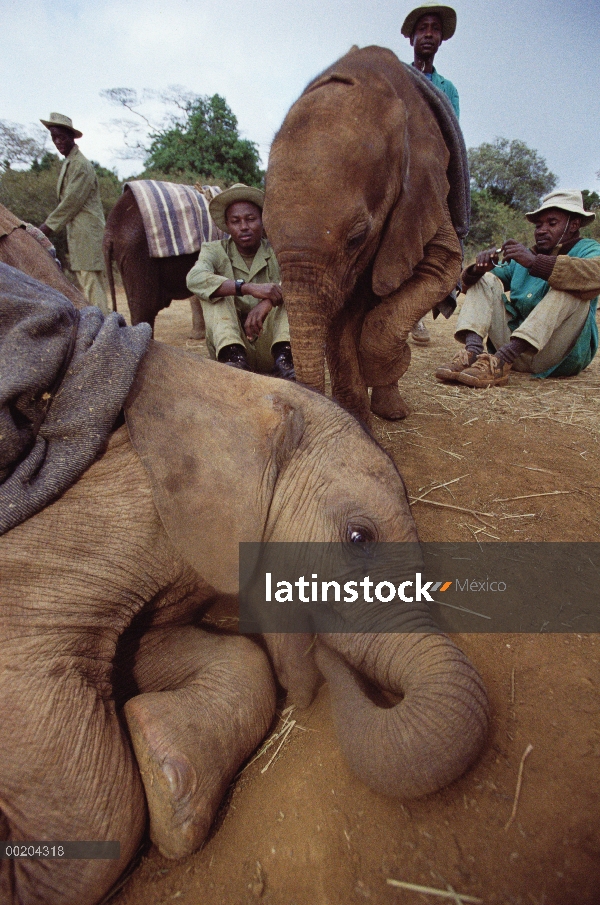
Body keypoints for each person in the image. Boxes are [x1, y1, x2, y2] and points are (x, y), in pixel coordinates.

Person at [435, 190, 600, 387]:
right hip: (517, 354)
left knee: (571, 286)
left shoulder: (587, 249)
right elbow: (477, 285)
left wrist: (535, 263)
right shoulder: (526, 256)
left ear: (573, 225)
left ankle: (503, 358)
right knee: (486, 279)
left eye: (552, 223)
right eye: (538, 225)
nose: (541, 230)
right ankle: (473, 353)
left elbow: (595, 273)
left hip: (558, 356)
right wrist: (479, 270)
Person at [186, 184, 295, 379]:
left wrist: (268, 302)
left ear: (263, 220)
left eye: (251, 219)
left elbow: (299, 281)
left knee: (291, 294)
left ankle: (285, 360)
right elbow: (194, 278)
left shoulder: (277, 249)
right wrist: (248, 288)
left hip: (269, 346)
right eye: (236, 221)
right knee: (214, 294)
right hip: (229, 346)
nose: (244, 226)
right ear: (227, 225)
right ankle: (233, 356)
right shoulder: (214, 250)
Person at [402, 2, 459, 345]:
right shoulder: (396, 75)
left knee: (428, 245)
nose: (428, 34)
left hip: (429, 172)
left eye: (434, 29)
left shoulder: (447, 87)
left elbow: (452, 132)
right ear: (411, 37)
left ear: (441, 39)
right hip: (397, 166)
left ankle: (415, 315)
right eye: (422, 28)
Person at [39, 113, 109, 314]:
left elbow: (71, 202)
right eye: (54, 138)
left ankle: (104, 334)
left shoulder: (80, 165)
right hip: (80, 235)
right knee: (90, 286)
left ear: (72, 137)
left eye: (62, 137)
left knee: (92, 287)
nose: (58, 142)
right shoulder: (70, 162)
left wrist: (46, 228)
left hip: (88, 234)